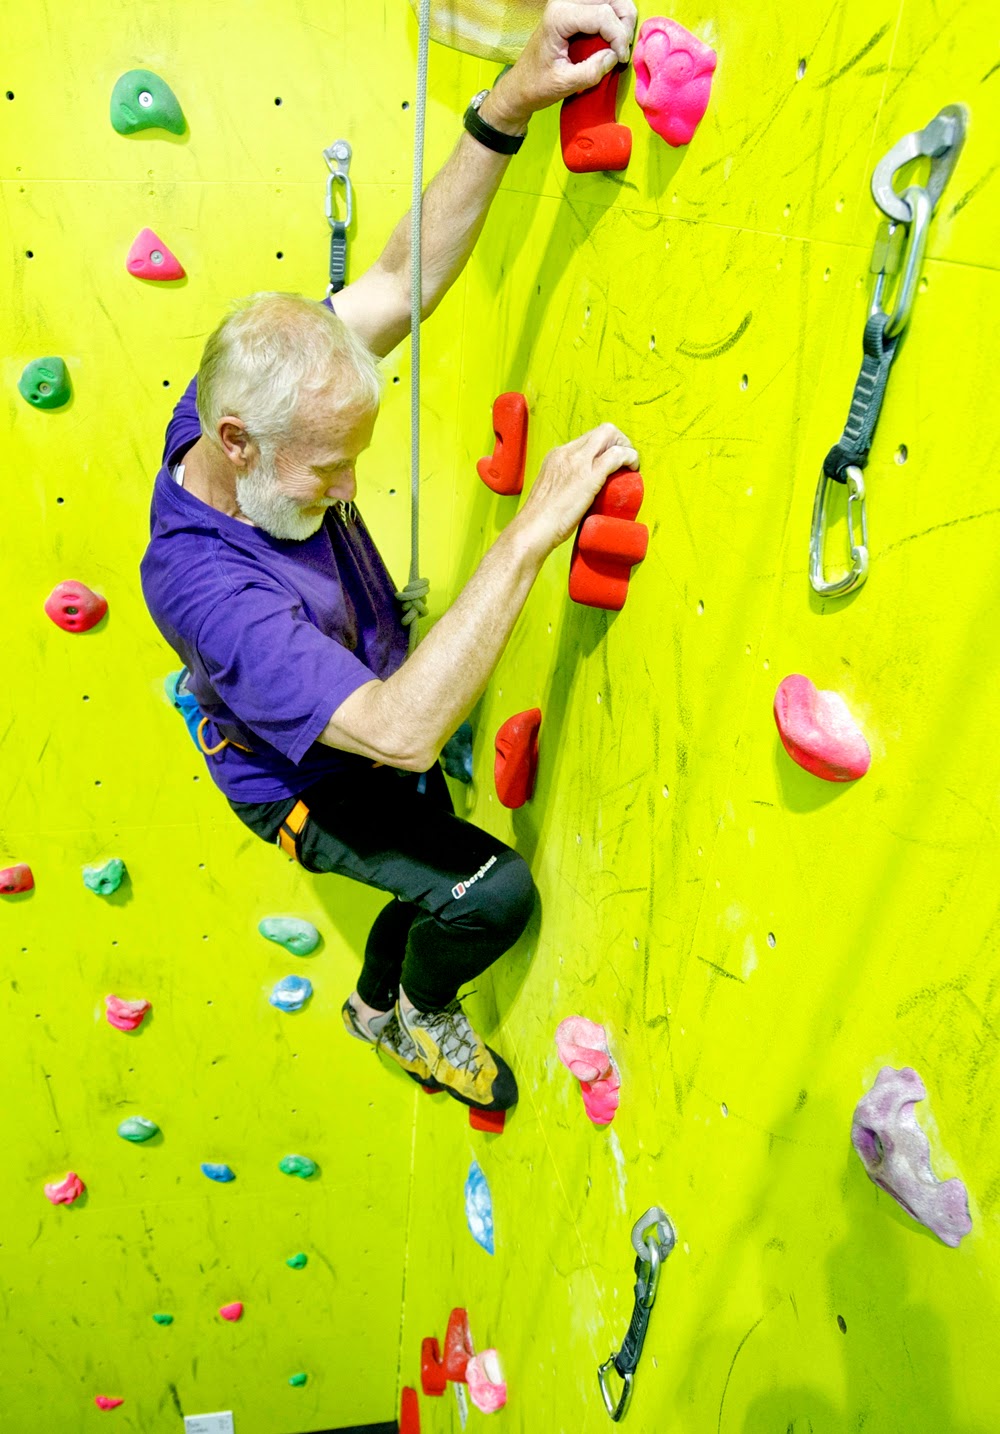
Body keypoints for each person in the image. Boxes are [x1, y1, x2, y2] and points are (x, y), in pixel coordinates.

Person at [140, 0, 639, 1115]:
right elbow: (402, 728)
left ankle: (375, 1000)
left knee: (425, 850)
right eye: (328, 471)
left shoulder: (249, 393)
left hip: (354, 711)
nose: (350, 491)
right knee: (491, 893)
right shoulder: (209, 591)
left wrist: (509, 99)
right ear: (238, 446)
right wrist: (532, 525)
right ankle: (417, 1014)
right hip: (312, 784)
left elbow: (401, 280)